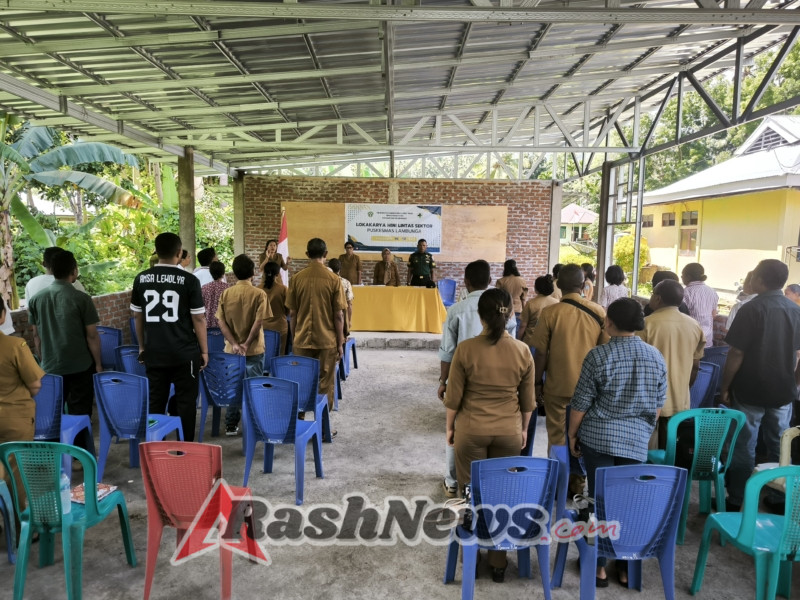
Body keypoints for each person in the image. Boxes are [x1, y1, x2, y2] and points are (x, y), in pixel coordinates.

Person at [569, 298, 666, 587]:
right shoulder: (655, 356)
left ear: (609, 322)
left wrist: (573, 434)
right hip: (636, 441)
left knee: (599, 500)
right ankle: (625, 566)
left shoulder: (598, 356)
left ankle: (598, 566)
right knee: (629, 502)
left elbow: (580, 404)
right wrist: (642, 432)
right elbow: (658, 406)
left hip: (598, 439)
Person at [444, 288, 534, 583]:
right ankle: (498, 561)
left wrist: (450, 427)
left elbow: (454, 398)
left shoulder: (466, 349)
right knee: (502, 495)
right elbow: (527, 401)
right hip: (508, 432)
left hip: (471, 430)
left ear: (481, 316)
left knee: (468, 493)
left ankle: (469, 551)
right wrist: (521, 429)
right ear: (509, 313)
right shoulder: (522, 351)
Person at [722, 259, 800, 513]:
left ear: (760, 280)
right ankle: (779, 497)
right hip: (783, 390)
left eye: (753, 275)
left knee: (745, 443)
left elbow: (736, 353)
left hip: (749, 388)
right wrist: (795, 382)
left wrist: (725, 386)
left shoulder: (751, 309)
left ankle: (736, 499)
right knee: (780, 442)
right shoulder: (795, 309)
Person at [438, 260, 516, 497]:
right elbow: (510, 341)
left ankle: (453, 482)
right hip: (500, 378)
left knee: (456, 429)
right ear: (490, 280)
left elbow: (447, 351)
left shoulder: (456, 310)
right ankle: (491, 488)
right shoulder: (503, 310)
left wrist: (443, 381)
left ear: (466, 281)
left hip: (462, 377)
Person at [530, 263, 608, 495]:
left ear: (558, 285)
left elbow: (541, 352)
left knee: (557, 435)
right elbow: (604, 351)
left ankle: (557, 485)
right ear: (584, 285)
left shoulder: (551, 313)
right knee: (582, 436)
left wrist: (536, 383)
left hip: (557, 386)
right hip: (589, 390)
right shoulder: (598, 311)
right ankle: (578, 483)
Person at [131, 232, 207, 443]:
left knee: (156, 402)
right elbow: (199, 319)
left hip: (154, 351)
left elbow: (138, 315)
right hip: (185, 353)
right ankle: (186, 448)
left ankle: (156, 446)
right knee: (186, 403)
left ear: (156, 251)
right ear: (179, 253)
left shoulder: (141, 278)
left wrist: (141, 347)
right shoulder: (189, 280)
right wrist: (204, 351)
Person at [28, 250, 102, 453]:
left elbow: (36, 336)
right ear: (74, 270)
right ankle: (80, 457)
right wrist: (98, 363)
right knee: (80, 412)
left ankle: (55, 455)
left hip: (51, 366)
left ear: (50, 270)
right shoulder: (81, 298)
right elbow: (92, 336)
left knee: (53, 411)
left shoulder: (37, 299)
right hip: (80, 365)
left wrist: (44, 361)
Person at [286, 238, 347, 432]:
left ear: (306, 255)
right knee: (325, 383)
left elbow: (292, 313)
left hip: (301, 340)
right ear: (326, 254)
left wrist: (295, 337)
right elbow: (339, 315)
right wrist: (340, 342)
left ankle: (299, 423)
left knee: (300, 381)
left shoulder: (296, 278)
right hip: (326, 340)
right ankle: (322, 428)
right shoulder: (334, 280)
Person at [637, 280, 705, 449]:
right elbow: (696, 365)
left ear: (658, 298)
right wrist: (684, 388)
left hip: (650, 399)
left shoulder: (646, 324)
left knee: (650, 452)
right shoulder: (694, 325)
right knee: (672, 449)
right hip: (680, 399)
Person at [216, 254, 272, 436]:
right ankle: (255, 424)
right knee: (254, 386)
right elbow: (259, 322)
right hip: (254, 349)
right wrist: (247, 343)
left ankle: (231, 425)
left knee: (233, 387)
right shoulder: (259, 294)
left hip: (231, 352)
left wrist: (234, 344)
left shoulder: (226, 294)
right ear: (253, 273)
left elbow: (221, 322)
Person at [0, 295, 44, 522]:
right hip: (15, 419)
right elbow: (35, 384)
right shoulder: (15, 346)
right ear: (2, 316)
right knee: (15, 472)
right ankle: (20, 525)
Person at [681, 263, 718, 348]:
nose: (682, 278)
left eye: (682, 276)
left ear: (688, 277)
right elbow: (714, 314)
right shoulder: (712, 291)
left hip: (690, 341)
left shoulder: (685, 293)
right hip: (707, 340)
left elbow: (680, 317)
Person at [518, 274, 558, 347]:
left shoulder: (531, 303)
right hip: (549, 342)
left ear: (536, 289)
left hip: (530, 341)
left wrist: (518, 340)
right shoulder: (557, 303)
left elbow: (523, 326)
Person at [261, 261, 289, 356]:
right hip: (280, 327)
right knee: (279, 354)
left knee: (264, 354)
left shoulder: (257, 289)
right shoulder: (283, 289)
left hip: (262, 327)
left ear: (264, 273)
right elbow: (288, 309)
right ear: (278, 274)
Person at [496, 259, 528, 331]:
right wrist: (525, 314)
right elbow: (523, 299)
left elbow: (497, 298)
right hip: (518, 311)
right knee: (516, 335)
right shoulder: (522, 281)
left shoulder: (500, 281)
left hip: (505, 311)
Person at [329, 258, 353, 337]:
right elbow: (349, 304)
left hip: (326, 315)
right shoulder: (346, 282)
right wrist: (349, 321)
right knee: (341, 339)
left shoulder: (326, 282)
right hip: (342, 316)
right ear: (340, 268)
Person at [202, 261, 229, 329]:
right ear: (223, 273)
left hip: (208, 324)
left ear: (211, 273)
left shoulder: (204, 288)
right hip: (224, 325)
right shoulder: (227, 288)